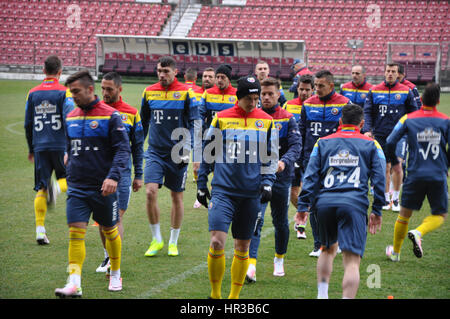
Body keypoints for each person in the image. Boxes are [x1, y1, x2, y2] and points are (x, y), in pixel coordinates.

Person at [196, 75, 278, 299]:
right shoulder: (222, 119)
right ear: (238, 97)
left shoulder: (266, 121)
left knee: (242, 247)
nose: (253, 102)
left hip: (250, 195)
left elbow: (271, 156)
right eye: (248, 98)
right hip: (223, 191)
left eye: (256, 97)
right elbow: (208, 152)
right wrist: (202, 183)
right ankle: (215, 295)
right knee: (216, 241)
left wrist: (268, 183)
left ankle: (233, 298)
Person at [297, 103, 385, 299]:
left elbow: (310, 176)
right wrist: (377, 210)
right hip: (354, 203)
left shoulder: (322, 142)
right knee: (352, 261)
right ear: (361, 124)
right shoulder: (371, 144)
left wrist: (303, 205)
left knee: (327, 249)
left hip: (325, 203)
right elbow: (379, 179)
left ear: (340, 121)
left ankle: (322, 295)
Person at [55, 70, 131, 297]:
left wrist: (113, 177)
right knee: (75, 233)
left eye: (76, 91)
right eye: (71, 92)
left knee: (110, 231)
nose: (73, 96)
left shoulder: (111, 116)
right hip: (77, 187)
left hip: (104, 188)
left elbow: (122, 149)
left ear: (90, 89)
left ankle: (115, 272)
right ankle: (74, 283)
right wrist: (68, 160)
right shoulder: (71, 117)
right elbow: (69, 147)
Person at [140, 56, 200, 257]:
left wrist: (189, 149)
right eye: (159, 71)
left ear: (176, 72)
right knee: (150, 192)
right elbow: (143, 123)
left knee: (176, 196)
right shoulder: (149, 92)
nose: (162, 75)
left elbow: (195, 122)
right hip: (155, 151)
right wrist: (138, 147)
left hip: (178, 152)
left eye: (166, 71)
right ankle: (156, 239)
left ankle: (173, 242)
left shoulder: (186, 93)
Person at [385, 82, 449, 262]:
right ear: (437, 101)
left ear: (420, 100)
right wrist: (446, 165)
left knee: (404, 215)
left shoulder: (408, 119)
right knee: (439, 215)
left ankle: (396, 253)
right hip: (437, 173)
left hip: (414, 174)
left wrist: (396, 162)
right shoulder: (445, 120)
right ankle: (419, 231)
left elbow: (390, 141)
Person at [246, 77, 301, 283]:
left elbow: (296, 146)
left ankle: (279, 259)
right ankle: (251, 265)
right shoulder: (252, 117)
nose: (266, 97)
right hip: (256, 177)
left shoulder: (287, 118)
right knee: (256, 219)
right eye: (263, 93)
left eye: (270, 94)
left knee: (280, 222)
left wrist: (284, 162)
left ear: (279, 94)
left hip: (281, 178)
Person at [95, 72, 144, 273]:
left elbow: (138, 146)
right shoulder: (96, 111)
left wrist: (139, 174)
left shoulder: (131, 113)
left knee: (115, 219)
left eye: (109, 89)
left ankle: (115, 264)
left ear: (119, 89)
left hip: (122, 175)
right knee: (102, 220)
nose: (105, 93)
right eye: (103, 89)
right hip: (99, 173)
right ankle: (108, 257)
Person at [297, 70, 350, 256]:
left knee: (339, 203)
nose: (317, 89)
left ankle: (339, 241)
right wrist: (300, 158)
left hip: (338, 161)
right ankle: (319, 244)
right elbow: (301, 133)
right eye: (316, 85)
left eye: (321, 85)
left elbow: (351, 131)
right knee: (316, 204)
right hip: (312, 161)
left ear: (331, 86)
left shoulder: (345, 103)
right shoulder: (308, 104)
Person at [24, 55, 74, 245]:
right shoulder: (64, 93)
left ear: (43, 70)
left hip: (40, 147)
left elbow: (28, 124)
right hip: (60, 145)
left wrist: (31, 148)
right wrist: (70, 146)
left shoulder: (32, 93)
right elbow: (69, 119)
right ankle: (56, 189)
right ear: (60, 72)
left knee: (41, 188)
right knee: (70, 179)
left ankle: (39, 230)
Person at [363, 63, 418, 212]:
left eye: (393, 71)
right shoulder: (374, 90)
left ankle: (396, 199)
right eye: (388, 71)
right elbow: (367, 112)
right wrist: (367, 129)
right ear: (384, 72)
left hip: (399, 135)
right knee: (385, 167)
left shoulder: (406, 91)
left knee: (398, 165)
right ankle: (386, 199)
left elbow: (414, 113)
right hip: (380, 134)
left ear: (398, 74)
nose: (390, 74)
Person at [283, 74, 314, 239]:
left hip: (312, 154)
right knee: (293, 192)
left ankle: (305, 219)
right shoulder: (288, 105)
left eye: (307, 90)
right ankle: (303, 217)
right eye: (301, 89)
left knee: (310, 190)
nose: (303, 92)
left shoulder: (317, 106)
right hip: (294, 154)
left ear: (313, 90)